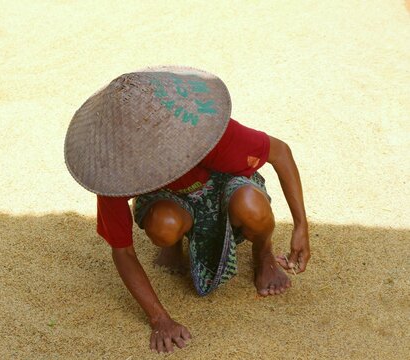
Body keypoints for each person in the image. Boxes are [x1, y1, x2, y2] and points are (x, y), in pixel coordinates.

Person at [64, 67, 310, 353]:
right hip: (168, 201)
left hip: (223, 183)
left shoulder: (203, 132)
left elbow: (280, 152)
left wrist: (300, 226)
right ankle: (174, 244)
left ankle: (262, 252)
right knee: (163, 225)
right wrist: (159, 318)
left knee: (252, 207)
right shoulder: (114, 169)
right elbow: (123, 251)